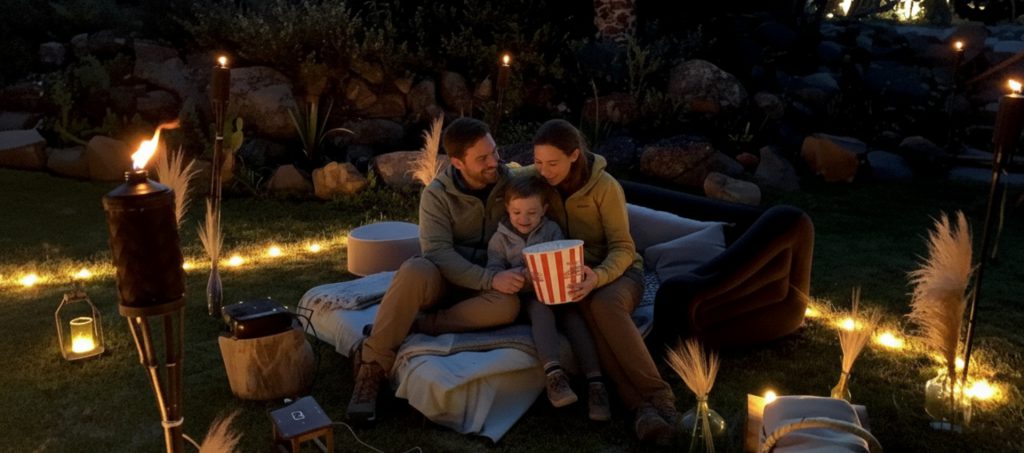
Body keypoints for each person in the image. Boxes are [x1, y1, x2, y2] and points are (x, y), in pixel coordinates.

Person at [347, 118, 527, 421]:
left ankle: (414, 325)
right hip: (446, 278)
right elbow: (438, 253)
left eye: (494, 152)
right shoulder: (437, 195)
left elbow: (547, 175)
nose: (493, 162)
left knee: (508, 305)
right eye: (482, 158)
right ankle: (372, 365)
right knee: (415, 269)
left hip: (485, 287)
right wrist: (488, 278)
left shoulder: (511, 183)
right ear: (457, 162)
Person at [530, 119, 680, 445]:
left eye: (552, 163)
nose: (544, 170)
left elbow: (624, 248)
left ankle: (661, 398)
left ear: (574, 155)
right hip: (580, 278)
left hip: (622, 272)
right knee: (589, 309)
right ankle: (641, 410)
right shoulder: (541, 182)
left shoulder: (605, 187)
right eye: (538, 162)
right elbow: (508, 174)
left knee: (605, 304)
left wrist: (599, 276)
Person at [485, 173, 611, 421]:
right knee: (542, 309)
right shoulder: (500, 239)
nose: (524, 219)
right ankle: (554, 376)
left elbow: (565, 257)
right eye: (517, 212)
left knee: (574, 317)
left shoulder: (552, 230)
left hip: (559, 292)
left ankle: (596, 383)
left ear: (543, 210)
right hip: (528, 297)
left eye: (531, 213)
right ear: (508, 209)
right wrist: (513, 275)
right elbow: (493, 271)